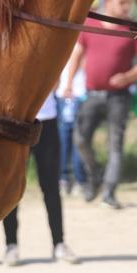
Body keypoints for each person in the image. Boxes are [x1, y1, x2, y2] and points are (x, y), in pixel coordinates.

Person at [63, 0, 137, 209]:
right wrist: (69, 83)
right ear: (107, 3)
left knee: (115, 145)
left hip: (119, 98)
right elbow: (78, 54)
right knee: (80, 139)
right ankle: (95, 176)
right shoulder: (91, 23)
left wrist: (128, 76)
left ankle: (109, 192)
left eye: (127, 3)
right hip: (92, 94)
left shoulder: (132, 28)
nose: (126, 7)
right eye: (121, 2)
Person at [3, 90, 80, 266]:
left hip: (47, 121)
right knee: (12, 188)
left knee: (51, 187)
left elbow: (55, 82)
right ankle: (11, 245)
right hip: (16, 122)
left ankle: (59, 243)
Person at [55, 62, 87, 194]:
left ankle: (74, 179)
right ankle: (69, 179)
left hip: (77, 94)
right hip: (69, 94)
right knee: (67, 140)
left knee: (73, 140)